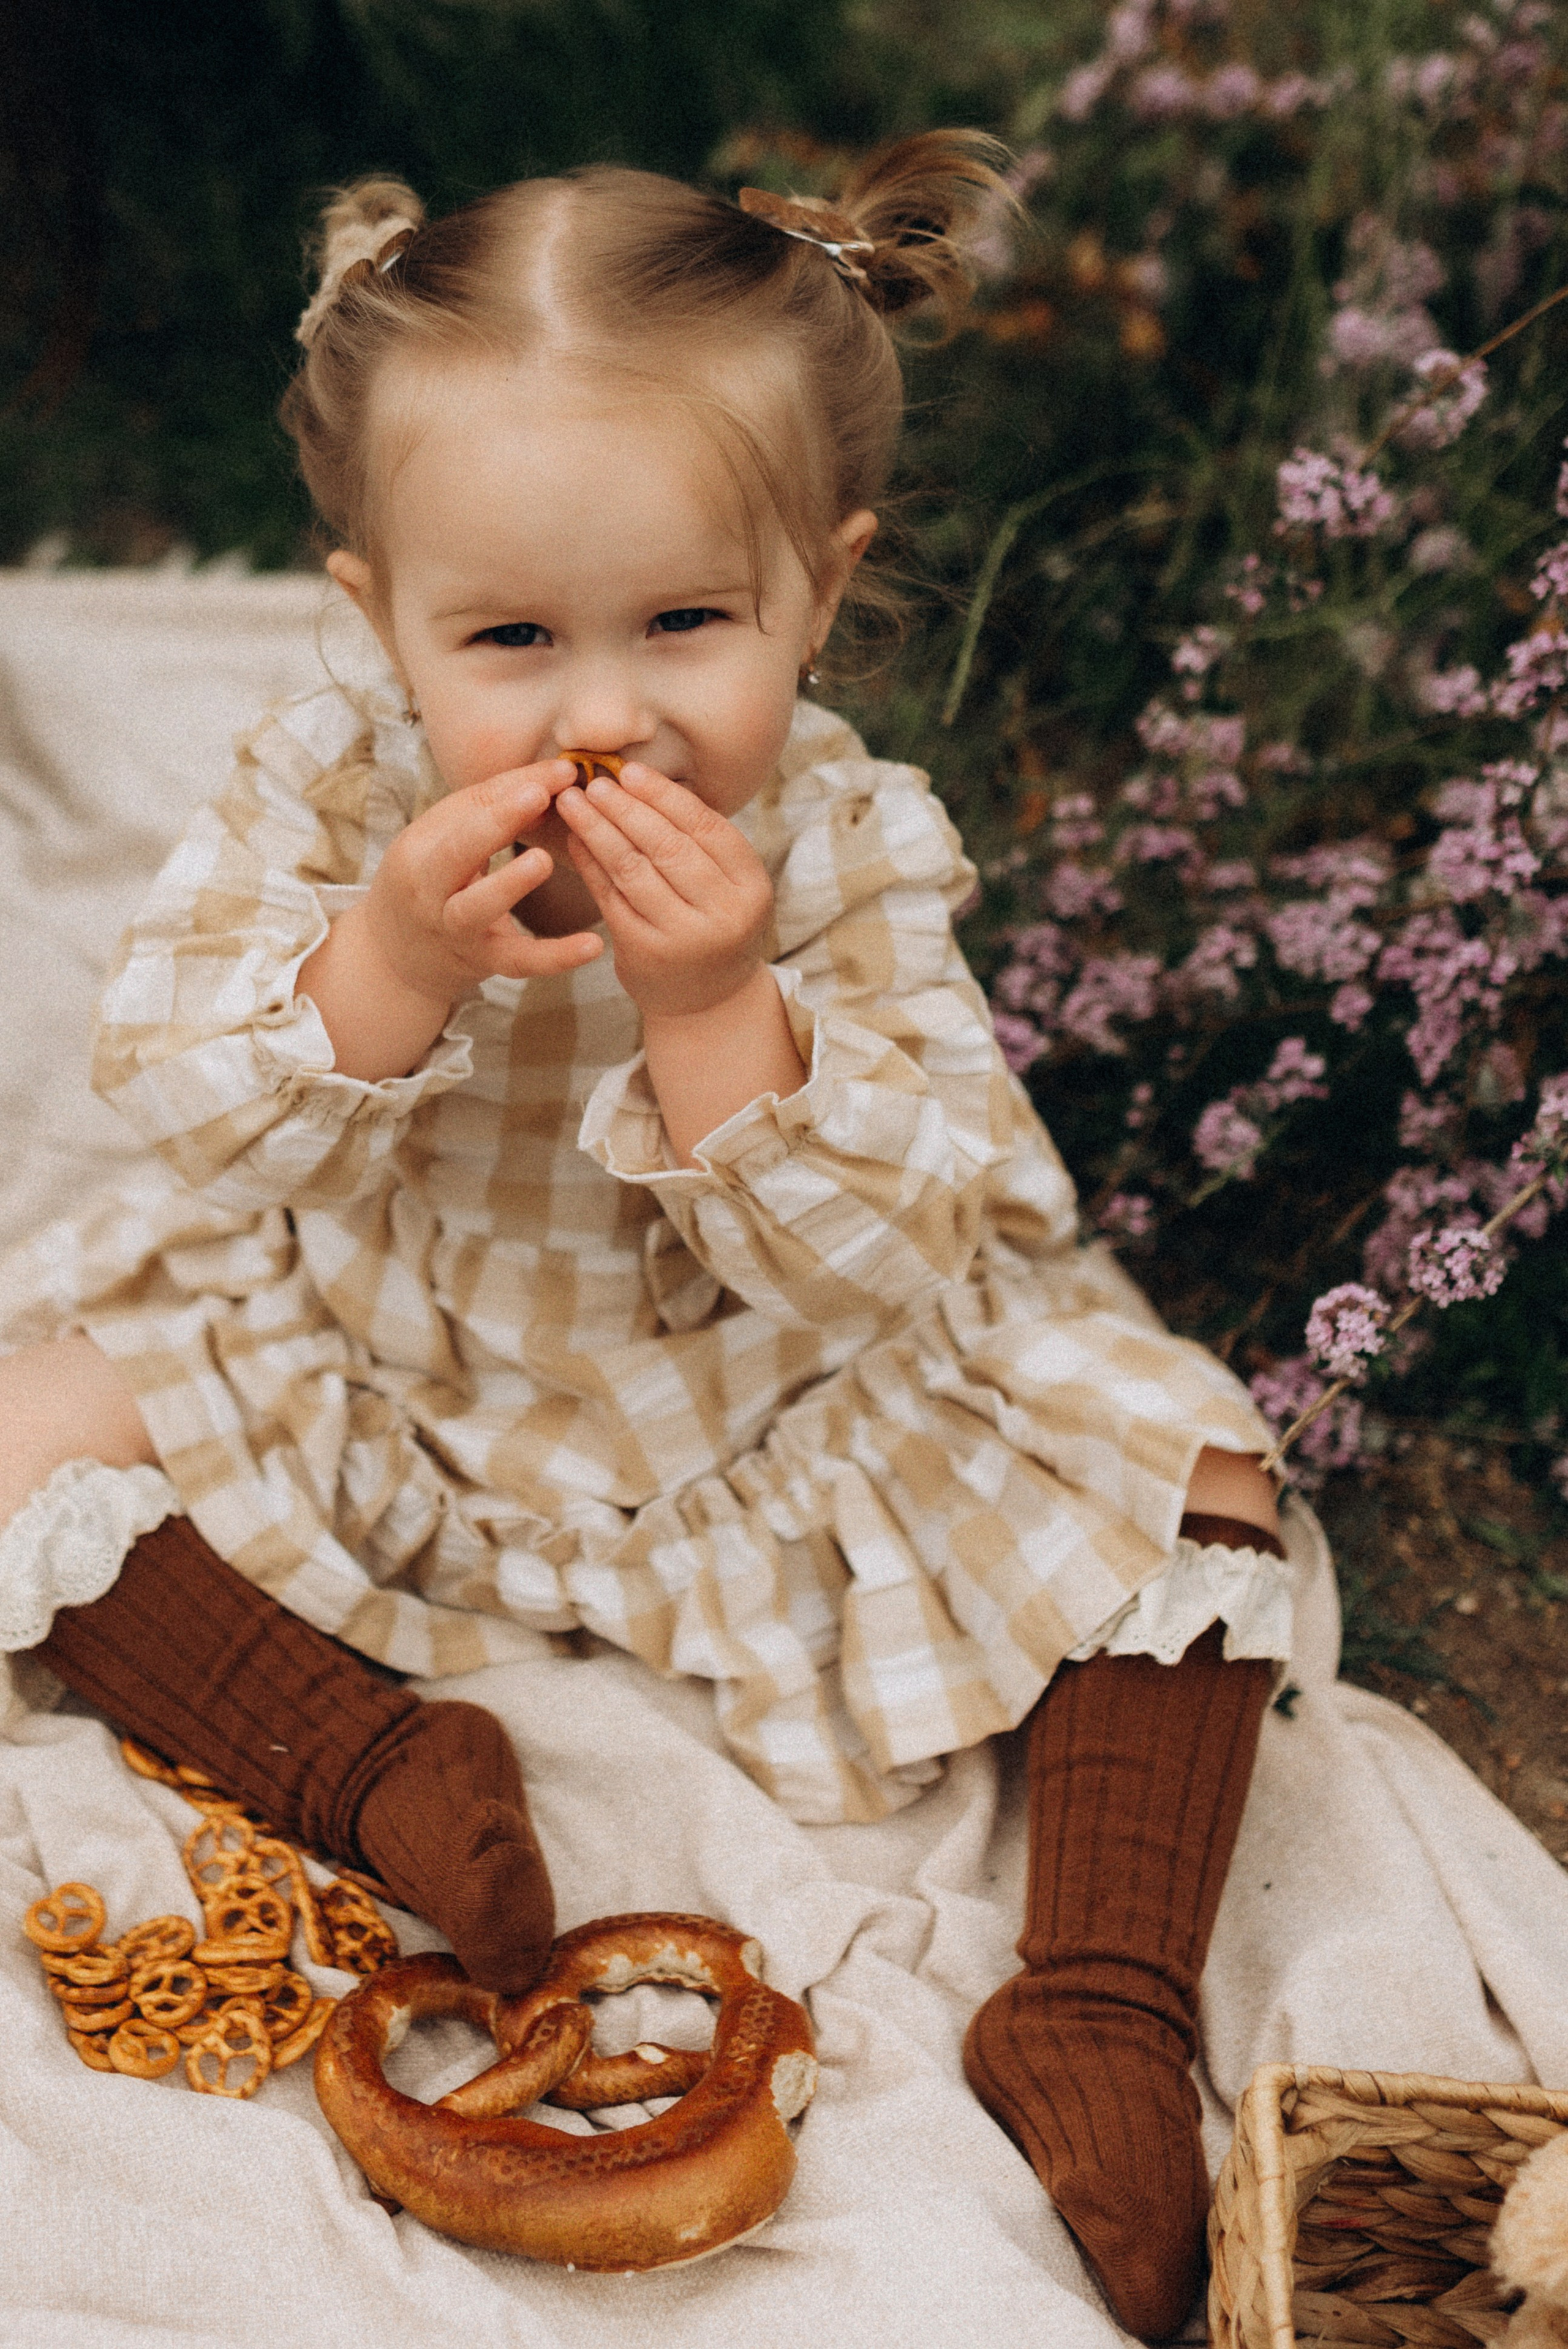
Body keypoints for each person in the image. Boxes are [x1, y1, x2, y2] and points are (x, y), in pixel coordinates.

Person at [0, 137, 1296, 2340]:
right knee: (23, 1427)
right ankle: (369, 1758)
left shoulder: (855, 843)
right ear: (378, 620)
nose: (604, 710)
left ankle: (1102, 1989)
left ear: (816, 589)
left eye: (686, 622)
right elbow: (197, 1104)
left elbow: (872, 1247)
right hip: (394, 1366)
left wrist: (712, 1006)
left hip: (777, 1405)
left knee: (1207, 1475)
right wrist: (391, 958)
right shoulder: (331, 796)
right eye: (509, 638)